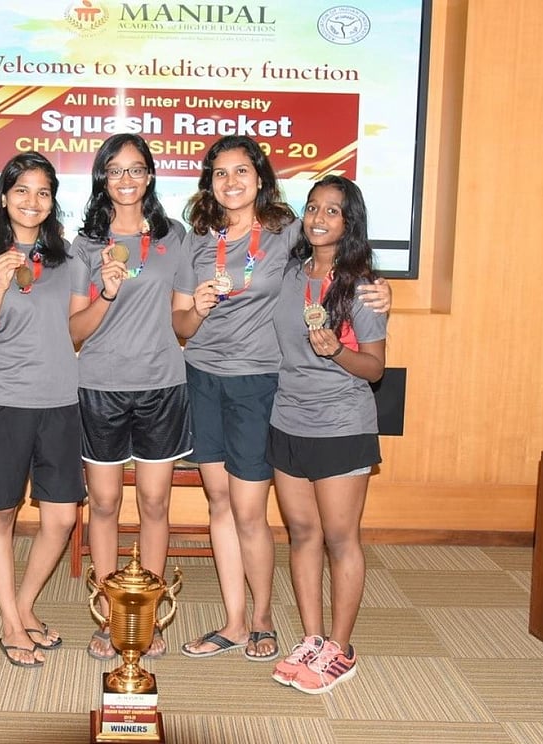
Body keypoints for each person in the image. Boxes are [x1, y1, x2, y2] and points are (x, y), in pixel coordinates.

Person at [172, 136, 391, 663]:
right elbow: (180, 325)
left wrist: (381, 290)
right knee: (219, 503)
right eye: (220, 173)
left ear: (261, 178)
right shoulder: (195, 242)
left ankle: (263, 618)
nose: (231, 183)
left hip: (260, 383)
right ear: (209, 183)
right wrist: (198, 309)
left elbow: (340, 244)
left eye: (241, 171)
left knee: (249, 510)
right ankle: (232, 622)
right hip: (203, 379)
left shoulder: (288, 231)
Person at [69, 133, 196, 660]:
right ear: (103, 177)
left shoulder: (176, 237)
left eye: (136, 169)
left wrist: (204, 309)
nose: (126, 179)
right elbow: (75, 332)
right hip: (98, 385)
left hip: (162, 385)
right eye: (115, 170)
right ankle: (108, 615)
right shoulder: (82, 245)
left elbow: (183, 320)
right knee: (102, 503)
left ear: (149, 177)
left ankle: (145, 614)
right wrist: (107, 290)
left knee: (154, 503)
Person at [0, 152, 83, 668]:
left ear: (52, 200)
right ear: (4, 197)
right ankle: (12, 625)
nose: (32, 201)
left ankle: (24, 603)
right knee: (1, 514)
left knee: (61, 516)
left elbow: (77, 331)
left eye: (42, 192)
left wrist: (107, 296)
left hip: (59, 400)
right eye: (21, 191)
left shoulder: (69, 260)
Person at [268, 176, 385, 693]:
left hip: (341, 424)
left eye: (332, 211)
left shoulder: (362, 285)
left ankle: (341, 648)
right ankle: (312, 639)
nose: (318, 218)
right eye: (312, 207)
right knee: (302, 535)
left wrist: (336, 350)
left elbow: (375, 368)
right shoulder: (291, 271)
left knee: (340, 539)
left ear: (349, 221)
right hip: (287, 419)